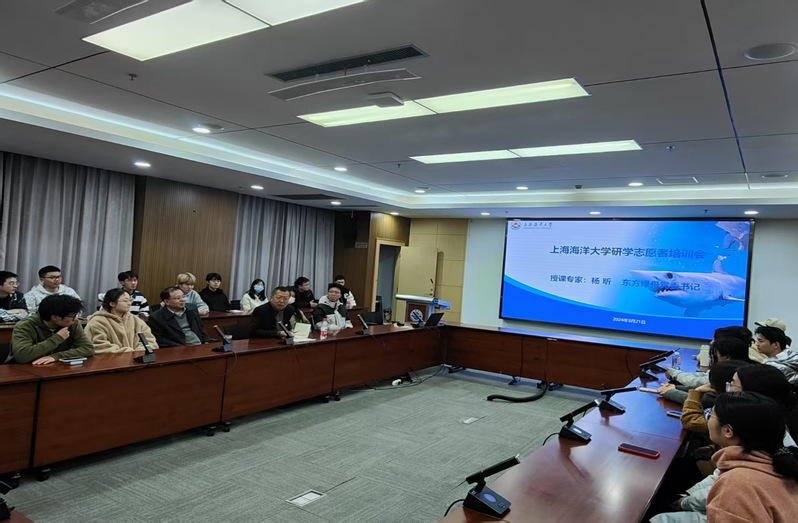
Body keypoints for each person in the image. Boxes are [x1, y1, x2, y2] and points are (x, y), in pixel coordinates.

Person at [705, 392, 798, 521]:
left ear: (728, 431)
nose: (707, 418)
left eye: (710, 415)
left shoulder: (736, 485)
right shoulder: (782, 464)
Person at [7, 294, 94, 365]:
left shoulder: (73, 324)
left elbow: (88, 349)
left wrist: (56, 356)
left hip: (55, 367)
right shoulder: (25, 326)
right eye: (72, 316)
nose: (75, 319)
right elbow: (22, 356)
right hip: (22, 369)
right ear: (55, 317)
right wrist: (57, 338)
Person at [661, 337, 752, 404]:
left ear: (727, 357)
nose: (711, 341)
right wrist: (675, 387)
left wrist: (670, 392)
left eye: (715, 354)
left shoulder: (733, 372)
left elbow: (706, 399)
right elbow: (705, 384)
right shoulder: (742, 366)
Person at [679, 360, 752, 434]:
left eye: (732, 383)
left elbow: (688, 421)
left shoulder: (731, 414)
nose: (730, 385)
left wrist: (696, 392)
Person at [84, 288, 158, 353]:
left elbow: (150, 340)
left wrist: (138, 352)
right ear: (112, 304)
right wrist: (126, 352)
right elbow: (99, 346)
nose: (129, 304)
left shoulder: (136, 320)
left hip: (137, 359)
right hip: (109, 361)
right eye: (125, 301)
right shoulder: (97, 321)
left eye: (130, 300)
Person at [149, 287, 214, 347]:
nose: (182, 300)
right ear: (167, 302)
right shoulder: (157, 317)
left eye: (183, 297)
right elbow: (160, 339)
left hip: (199, 345)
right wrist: (181, 348)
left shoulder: (192, 309)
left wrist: (206, 341)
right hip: (177, 348)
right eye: (178, 298)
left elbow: (201, 328)